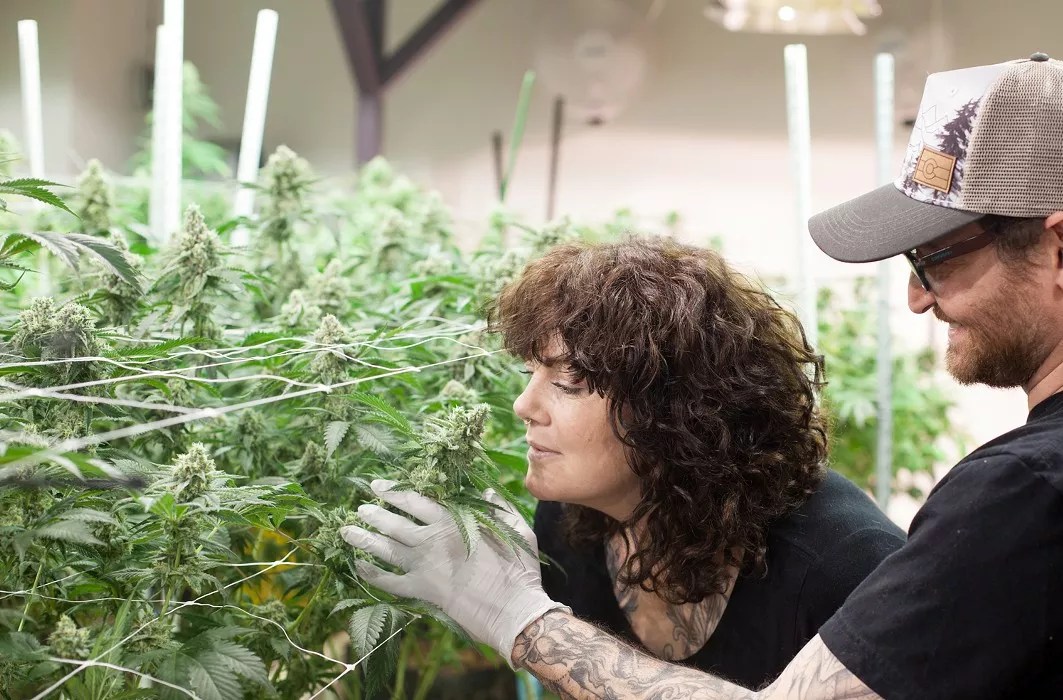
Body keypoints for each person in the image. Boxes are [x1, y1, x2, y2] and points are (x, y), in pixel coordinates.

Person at [341, 52, 1063, 699]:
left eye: (938, 257)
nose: (915, 296)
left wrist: (518, 617)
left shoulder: (1020, 494)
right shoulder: (573, 526)